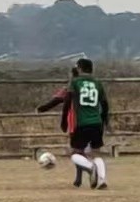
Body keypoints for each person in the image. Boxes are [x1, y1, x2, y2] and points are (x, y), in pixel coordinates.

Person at [37, 58, 109, 189]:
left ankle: (91, 169)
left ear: (80, 68)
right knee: (96, 153)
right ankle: (102, 180)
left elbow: (66, 101)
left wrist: (63, 120)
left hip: (81, 122)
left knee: (76, 153)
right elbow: (105, 104)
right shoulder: (98, 83)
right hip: (97, 123)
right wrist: (104, 122)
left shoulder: (75, 83)